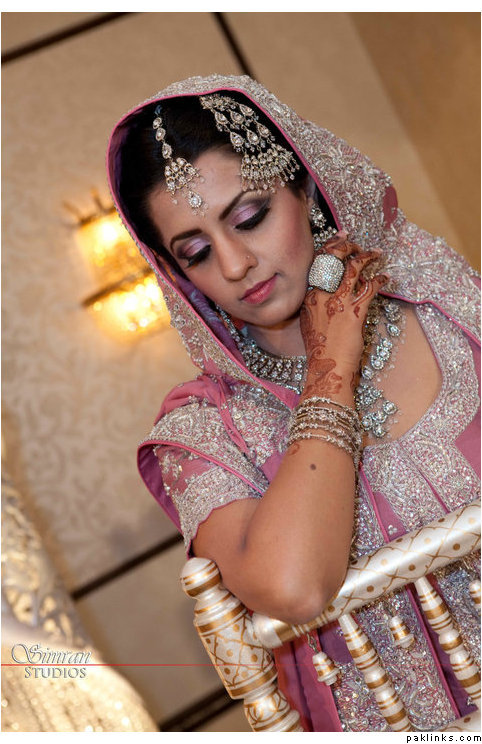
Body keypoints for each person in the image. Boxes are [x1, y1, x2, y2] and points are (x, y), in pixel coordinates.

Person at [107, 74, 480, 732]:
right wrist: (329, 368)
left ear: (303, 188)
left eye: (249, 218)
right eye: (196, 252)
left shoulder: (444, 306)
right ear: (175, 275)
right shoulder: (203, 434)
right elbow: (295, 587)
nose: (233, 264)